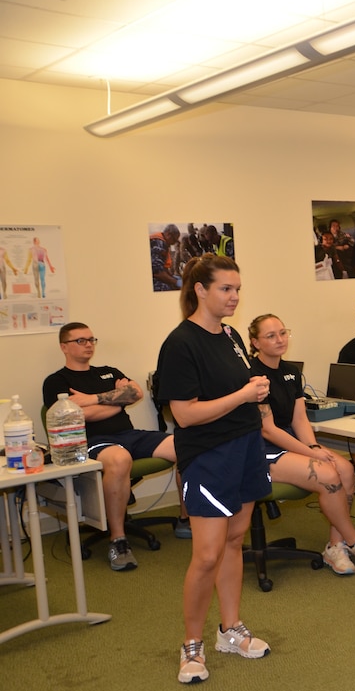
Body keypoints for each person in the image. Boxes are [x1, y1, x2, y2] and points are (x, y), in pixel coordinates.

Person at [155, 253, 272, 684]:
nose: (234, 297)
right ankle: (191, 645)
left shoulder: (231, 335)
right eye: (226, 289)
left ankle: (230, 629)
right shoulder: (180, 343)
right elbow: (185, 415)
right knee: (205, 555)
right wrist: (244, 395)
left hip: (245, 446)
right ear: (200, 290)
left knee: (234, 541)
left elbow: (235, 392)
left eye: (237, 289)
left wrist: (253, 393)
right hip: (208, 455)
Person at [248, 314, 355, 575]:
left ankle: (334, 547)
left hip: (291, 444)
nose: (279, 339)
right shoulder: (252, 375)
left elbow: (299, 418)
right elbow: (268, 430)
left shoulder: (291, 372)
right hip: (260, 451)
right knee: (327, 475)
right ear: (255, 342)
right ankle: (354, 541)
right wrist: (311, 452)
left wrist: (313, 447)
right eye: (270, 336)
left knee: (346, 469)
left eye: (282, 332)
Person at [43, 322, 189, 571]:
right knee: (120, 460)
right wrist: (116, 400)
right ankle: (118, 541)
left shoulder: (108, 372)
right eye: (80, 340)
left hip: (130, 435)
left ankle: (187, 520)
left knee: (188, 445)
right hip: (93, 442)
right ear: (64, 347)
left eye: (91, 339)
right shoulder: (56, 381)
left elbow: (135, 393)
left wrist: (92, 400)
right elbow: (75, 416)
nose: (88, 344)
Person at [151, 224, 182, 292]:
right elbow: (158, 273)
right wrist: (176, 282)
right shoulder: (159, 244)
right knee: (167, 288)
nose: (173, 243)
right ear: (168, 234)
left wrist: (172, 277)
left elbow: (163, 268)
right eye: (174, 240)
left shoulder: (163, 243)